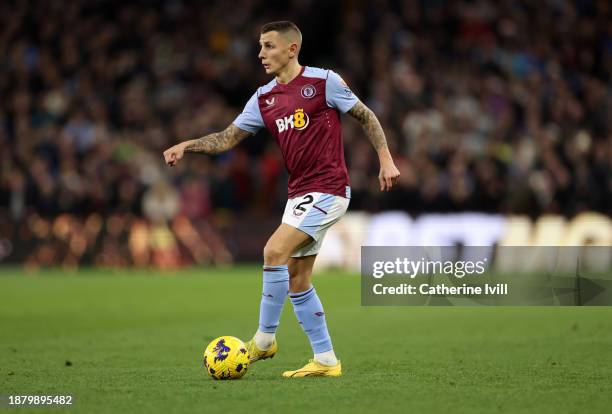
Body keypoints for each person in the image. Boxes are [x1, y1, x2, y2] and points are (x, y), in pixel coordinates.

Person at [163, 21, 400, 378]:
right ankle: (326, 360)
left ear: (292, 49)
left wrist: (385, 158)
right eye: (260, 47)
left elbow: (365, 116)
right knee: (297, 280)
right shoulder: (264, 98)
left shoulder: (325, 82)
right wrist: (187, 145)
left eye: (269, 46)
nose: (261, 54)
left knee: (273, 252)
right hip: (299, 193)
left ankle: (263, 339)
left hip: (329, 188)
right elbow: (228, 138)